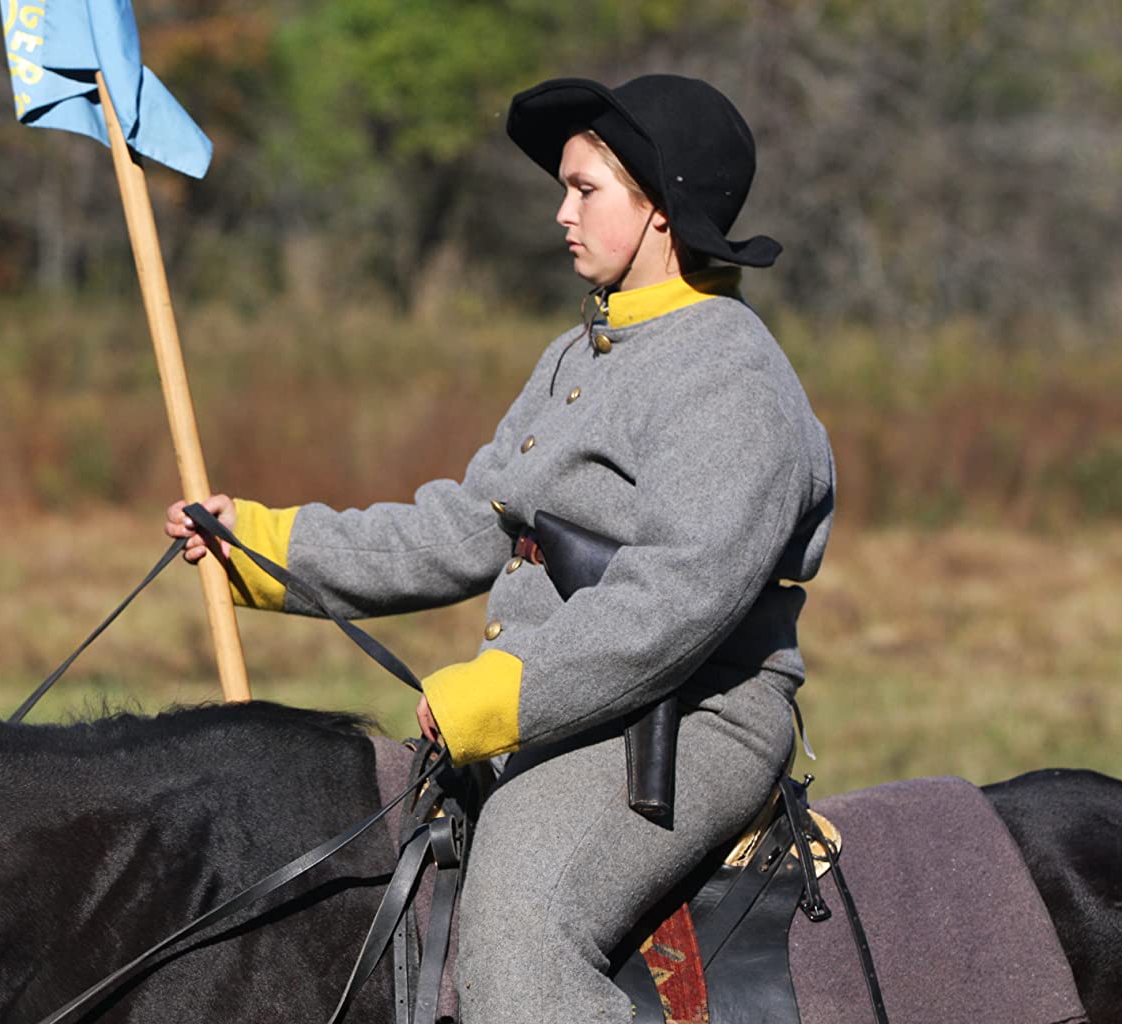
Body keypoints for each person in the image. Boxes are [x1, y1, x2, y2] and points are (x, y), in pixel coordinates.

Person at [165, 73, 835, 1024]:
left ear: (660, 212)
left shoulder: (732, 379)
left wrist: (501, 693)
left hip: (692, 720)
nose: (561, 213)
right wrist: (267, 548)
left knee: (515, 948)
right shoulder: (577, 355)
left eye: (586, 190)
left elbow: (674, 600)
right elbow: (469, 526)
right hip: (562, 707)